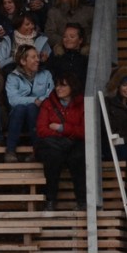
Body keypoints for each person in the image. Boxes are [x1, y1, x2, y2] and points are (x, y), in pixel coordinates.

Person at [35, 73, 86, 211]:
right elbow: (42, 130)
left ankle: (82, 201)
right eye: (57, 85)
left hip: (73, 145)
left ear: (72, 87)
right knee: (52, 158)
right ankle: (50, 200)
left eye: (63, 85)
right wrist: (66, 134)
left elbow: (85, 131)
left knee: (78, 157)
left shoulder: (82, 103)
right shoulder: (48, 103)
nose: (58, 88)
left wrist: (62, 128)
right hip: (54, 145)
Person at [4, 44, 54, 163]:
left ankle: (37, 151)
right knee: (21, 108)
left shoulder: (46, 74)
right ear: (23, 61)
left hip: (39, 117)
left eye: (37, 56)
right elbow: (13, 100)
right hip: (18, 118)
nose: (37, 59)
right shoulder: (13, 77)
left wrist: (36, 102)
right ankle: (10, 151)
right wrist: (34, 100)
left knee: (31, 108)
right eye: (33, 57)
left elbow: (50, 95)